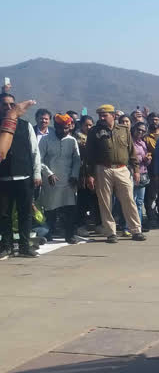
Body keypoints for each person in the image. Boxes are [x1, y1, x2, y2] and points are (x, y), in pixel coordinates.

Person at [85, 104, 146, 244]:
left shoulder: (124, 130)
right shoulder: (94, 131)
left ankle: (136, 230)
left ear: (113, 116)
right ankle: (111, 232)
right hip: (103, 169)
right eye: (100, 115)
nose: (101, 117)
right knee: (105, 202)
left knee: (129, 200)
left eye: (105, 115)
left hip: (122, 169)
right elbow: (89, 155)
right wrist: (90, 174)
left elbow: (132, 151)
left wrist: (136, 170)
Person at [0, 93, 41, 258]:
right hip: (3, 178)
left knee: (25, 213)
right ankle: (6, 245)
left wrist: (37, 173)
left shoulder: (25, 125)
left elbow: (34, 151)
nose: (9, 107)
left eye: (12, 104)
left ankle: (24, 246)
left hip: (24, 176)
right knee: (4, 214)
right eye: (5, 105)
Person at [39, 113, 80, 244]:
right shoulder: (46, 140)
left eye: (66, 128)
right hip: (51, 180)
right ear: (55, 126)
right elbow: (38, 159)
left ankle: (69, 235)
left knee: (69, 209)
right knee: (51, 208)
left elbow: (77, 160)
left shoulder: (72, 140)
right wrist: (48, 173)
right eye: (61, 128)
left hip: (68, 181)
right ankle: (48, 232)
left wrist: (74, 175)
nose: (63, 131)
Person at [131, 122, 151, 229]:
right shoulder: (129, 142)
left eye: (143, 131)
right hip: (132, 173)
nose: (140, 132)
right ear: (134, 129)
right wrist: (141, 159)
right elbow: (129, 158)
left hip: (143, 173)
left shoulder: (143, 143)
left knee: (139, 201)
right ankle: (130, 225)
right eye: (139, 129)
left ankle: (139, 225)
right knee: (131, 201)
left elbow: (145, 161)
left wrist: (147, 160)